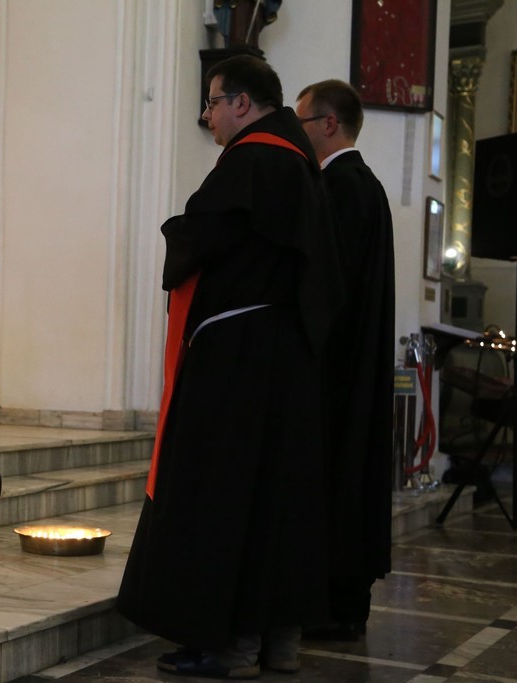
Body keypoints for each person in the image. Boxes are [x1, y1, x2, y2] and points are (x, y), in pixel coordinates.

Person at [116, 55, 343, 679]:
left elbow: (200, 237)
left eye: (213, 102)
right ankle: (280, 644)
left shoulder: (252, 161)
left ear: (242, 103)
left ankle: (231, 646)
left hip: (237, 359)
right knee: (278, 499)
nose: (208, 114)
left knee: (224, 493)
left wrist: (176, 231)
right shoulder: (304, 166)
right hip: (289, 359)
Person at [295, 79, 395, 641]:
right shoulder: (366, 186)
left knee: (333, 478)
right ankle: (344, 602)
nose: (297, 134)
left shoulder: (338, 188)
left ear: (328, 124)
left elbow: (322, 287)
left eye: (302, 123)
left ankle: (330, 605)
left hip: (334, 369)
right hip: (357, 363)